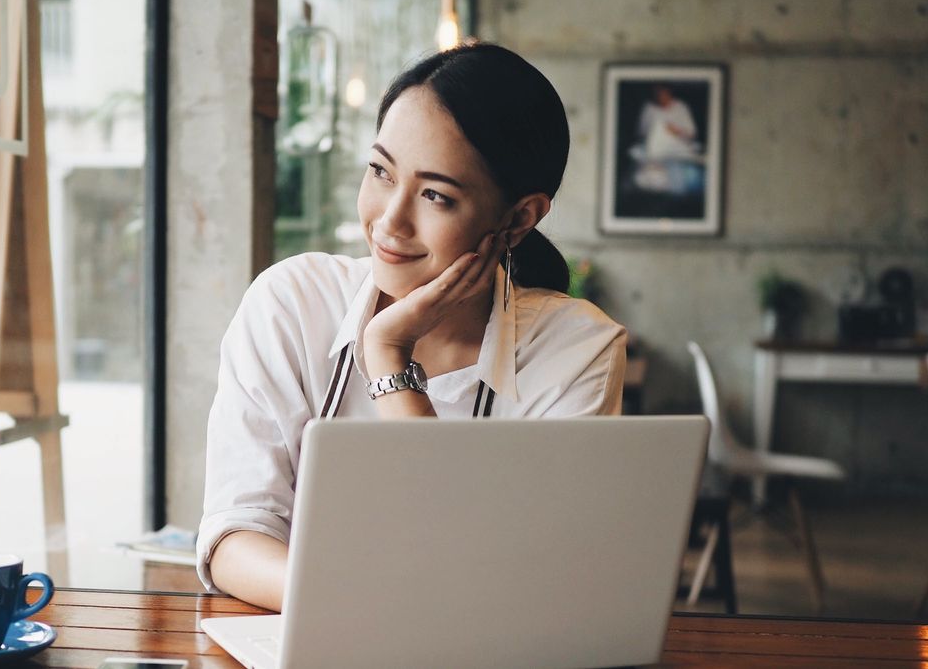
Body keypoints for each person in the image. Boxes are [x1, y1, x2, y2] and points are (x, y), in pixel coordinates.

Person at [196, 43, 628, 611]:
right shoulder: (291, 304)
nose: (389, 221)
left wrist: (389, 355)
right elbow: (235, 533)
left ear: (519, 217)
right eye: (380, 171)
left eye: (435, 196)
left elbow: (502, 581)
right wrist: (369, 602)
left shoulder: (575, 352)